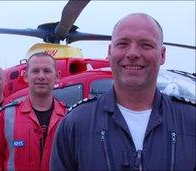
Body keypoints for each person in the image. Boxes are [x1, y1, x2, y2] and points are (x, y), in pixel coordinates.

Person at [50, 13, 195, 170]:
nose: (132, 53)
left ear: (162, 55)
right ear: (110, 52)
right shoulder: (75, 123)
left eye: (146, 45)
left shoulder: (191, 120)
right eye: (122, 44)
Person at [0, 52, 67, 171]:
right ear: (26, 77)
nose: (41, 76)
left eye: (47, 71)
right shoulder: (3, 117)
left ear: (57, 76)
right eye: (35, 71)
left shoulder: (69, 117)